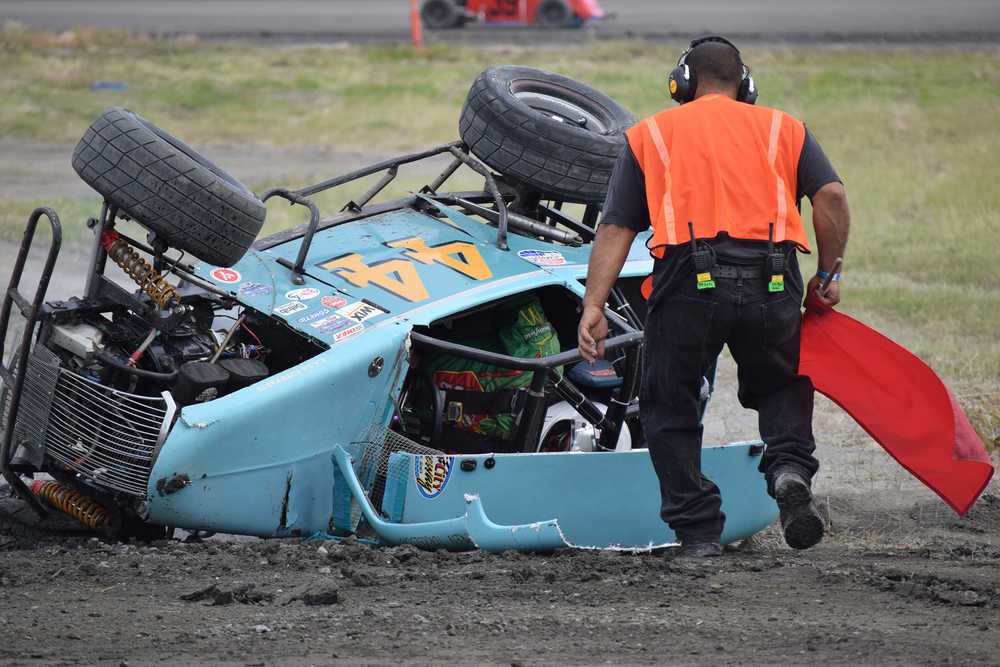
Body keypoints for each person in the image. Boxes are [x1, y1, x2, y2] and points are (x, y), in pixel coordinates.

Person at [577, 35, 850, 557]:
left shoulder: (651, 134)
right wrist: (828, 271)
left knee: (670, 402)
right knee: (780, 386)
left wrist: (594, 305)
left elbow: (616, 227)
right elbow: (831, 195)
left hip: (689, 281)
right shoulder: (783, 128)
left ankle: (699, 533)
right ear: (744, 85)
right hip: (774, 277)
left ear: (682, 83)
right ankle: (789, 470)